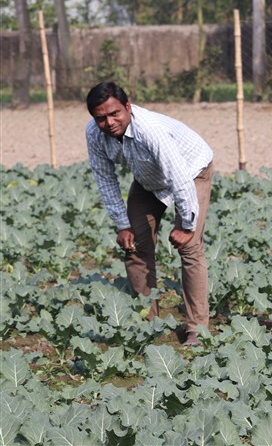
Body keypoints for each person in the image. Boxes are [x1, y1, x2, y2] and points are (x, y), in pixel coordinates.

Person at [85, 81, 214, 347]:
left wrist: (186, 225)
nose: (109, 122)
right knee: (133, 245)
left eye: (115, 114)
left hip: (191, 170)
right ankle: (147, 323)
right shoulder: (94, 134)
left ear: (128, 107)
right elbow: (105, 179)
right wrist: (123, 225)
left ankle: (197, 329)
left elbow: (178, 176)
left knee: (190, 248)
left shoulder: (150, 130)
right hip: (149, 179)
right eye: (101, 118)